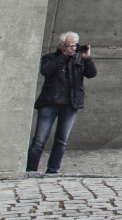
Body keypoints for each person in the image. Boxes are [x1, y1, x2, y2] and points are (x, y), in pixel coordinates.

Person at [28, 31, 96, 175]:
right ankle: (31, 170)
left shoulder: (80, 59)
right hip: (49, 103)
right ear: (61, 46)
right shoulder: (50, 58)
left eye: (75, 45)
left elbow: (91, 74)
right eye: (69, 45)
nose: (73, 48)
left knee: (62, 140)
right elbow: (46, 71)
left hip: (70, 104)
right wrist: (64, 56)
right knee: (39, 140)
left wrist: (87, 58)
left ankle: (53, 171)